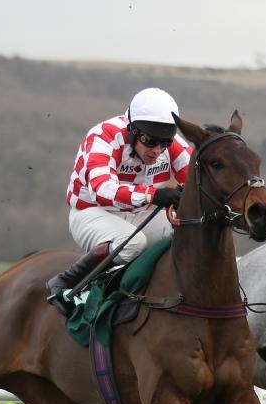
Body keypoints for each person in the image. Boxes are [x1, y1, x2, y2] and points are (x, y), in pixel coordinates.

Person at [46, 87, 192, 315]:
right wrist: (153, 194)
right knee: (133, 242)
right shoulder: (103, 136)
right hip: (92, 212)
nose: (157, 150)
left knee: (185, 231)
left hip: (138, 213)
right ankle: (67, 281)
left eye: (164, 143)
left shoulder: (171, 145)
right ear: (132, 129)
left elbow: (197, 181)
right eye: (149, 141)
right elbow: (102, 190)